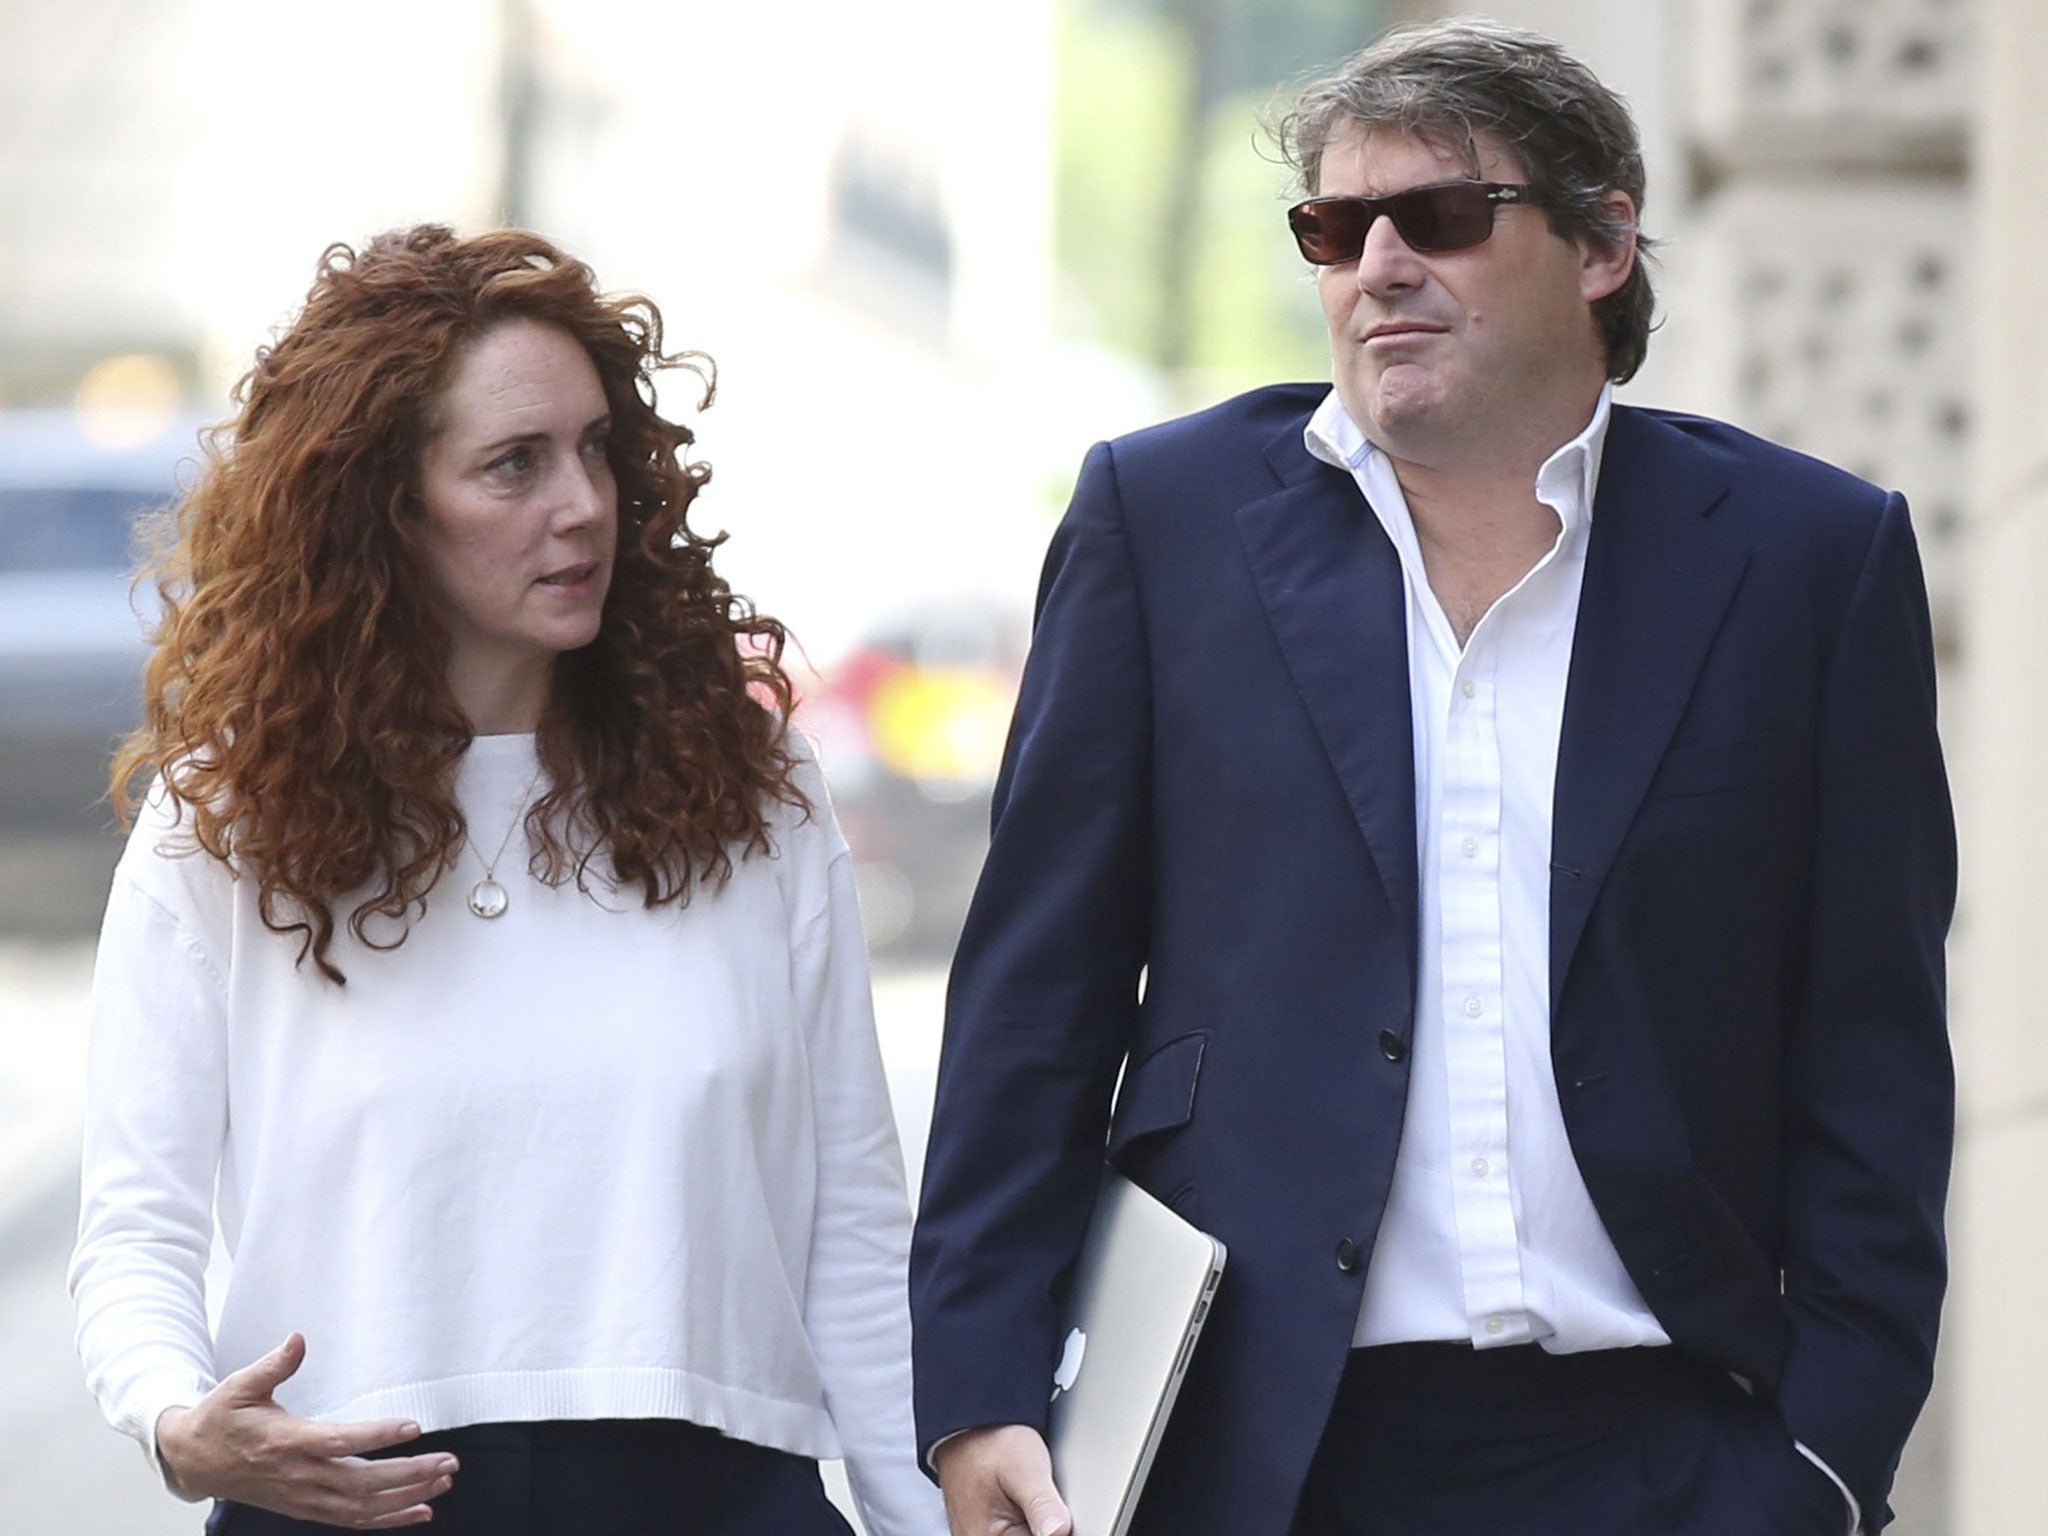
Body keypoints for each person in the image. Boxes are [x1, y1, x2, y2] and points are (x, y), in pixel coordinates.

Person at [909, 18, 1953, 1536]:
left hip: (1673, 1452)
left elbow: (1873, 1049)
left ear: (1603, 241)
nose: (1378, 265)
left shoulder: (1809, 559)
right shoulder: (1166, 522)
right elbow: (1033, 1002)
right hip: (1260, 1455)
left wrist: (1827, 1461)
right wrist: (983, 1389)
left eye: (1442, 218)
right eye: (1336, 229)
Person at [69, 225, 946, 1536]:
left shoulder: (755, 791)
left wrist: (917, 1516)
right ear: (385, 508)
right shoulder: (223, 827)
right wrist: (182, 1426)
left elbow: (858, 1236)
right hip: (355, 1506)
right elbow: (133, 1228)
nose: (582, 503)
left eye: (597, 449)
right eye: (513, 465)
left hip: (717, 1500)